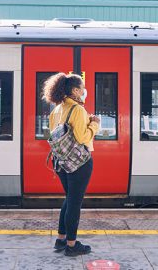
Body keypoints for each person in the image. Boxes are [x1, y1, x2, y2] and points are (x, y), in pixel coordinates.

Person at [43, 72, 100, 257]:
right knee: (74, 203)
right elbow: (83, 137)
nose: (84, 91)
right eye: (82, 88)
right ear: (75, 90)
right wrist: (95, 124)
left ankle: (61, 239)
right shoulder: (78, 110)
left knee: (69, 199)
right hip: (79, 162)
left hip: (60, 161)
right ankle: (72, 245)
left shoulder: (56, 110)